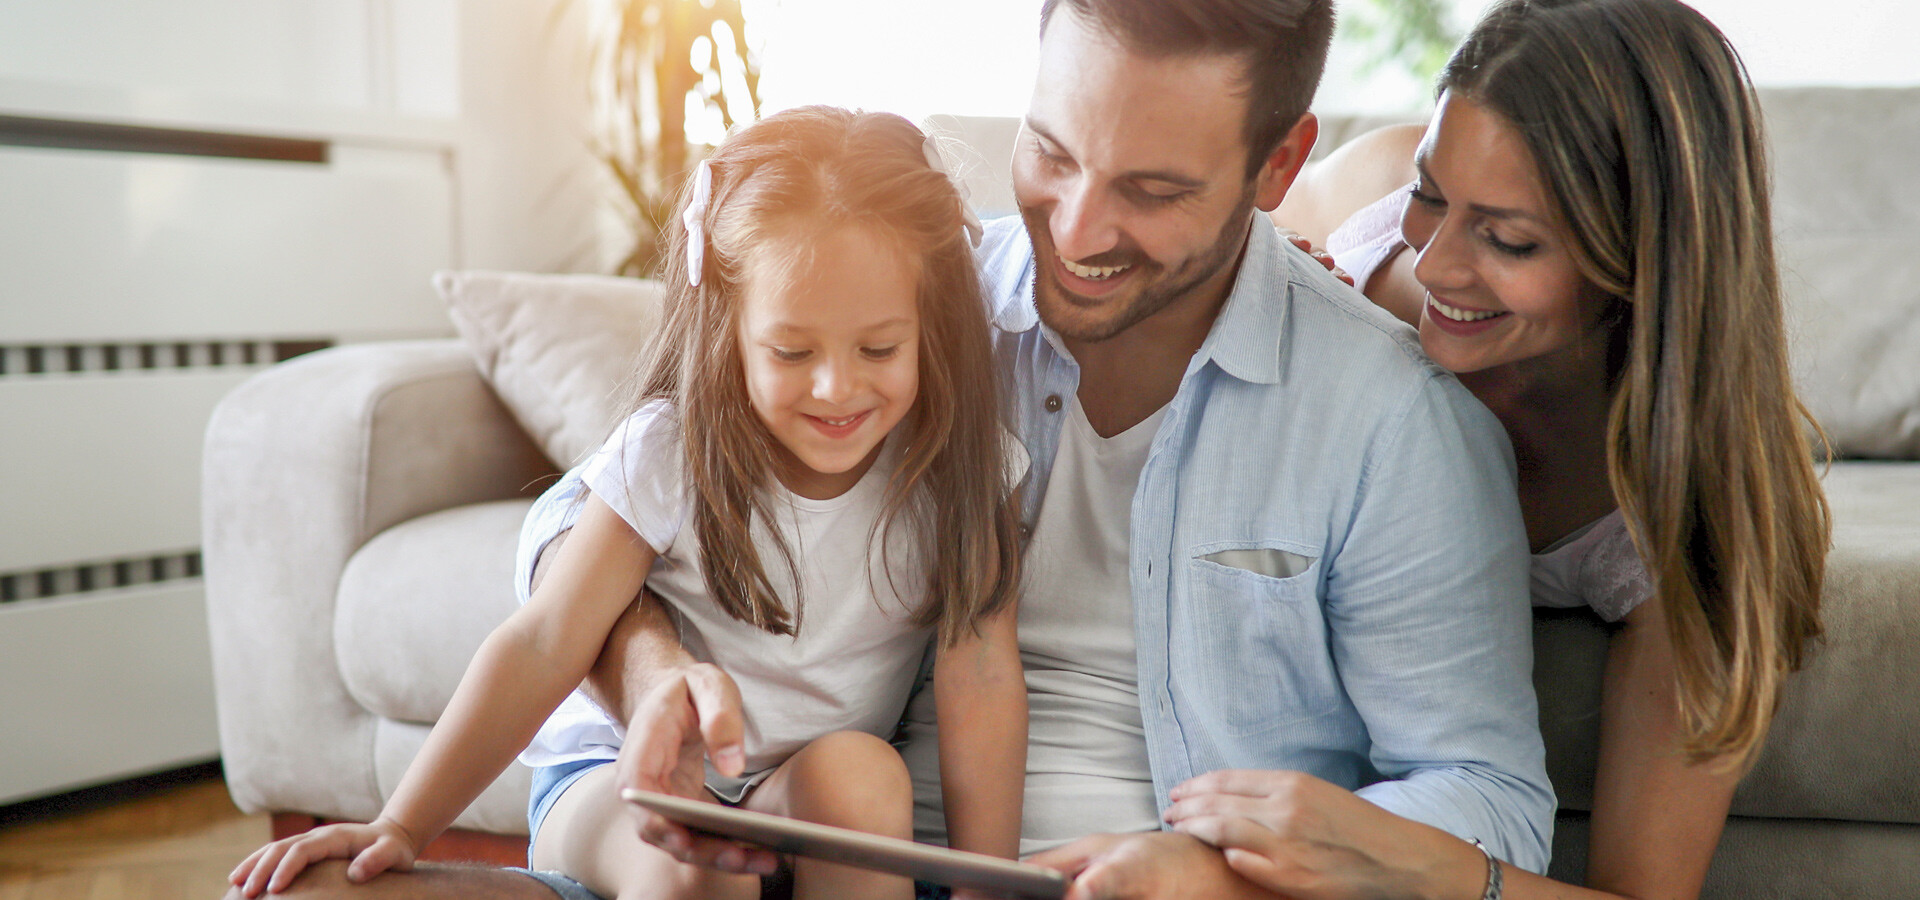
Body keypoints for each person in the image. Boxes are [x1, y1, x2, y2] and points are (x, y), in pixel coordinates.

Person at [220, 2, 1557, 898]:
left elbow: (1487, 796)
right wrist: (653, 660)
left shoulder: (1391, 422)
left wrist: (1230, 869)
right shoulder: (914, 296)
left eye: (1153, 191)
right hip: (789, 842)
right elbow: (602, 512)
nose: (1074, 229)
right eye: (1050, 151)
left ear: (1279, 169)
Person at [227, 106, 1029, 900]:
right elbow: (545, 641)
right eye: (792, 351)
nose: (836, 387)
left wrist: (985, 885)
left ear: (932, 322)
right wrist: (400, 828)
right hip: (619, 785)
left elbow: (983, 672)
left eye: (879, 348)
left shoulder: (961, 465)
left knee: (864, 776)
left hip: (801, 796)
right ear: (730, 327)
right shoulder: (671, 449)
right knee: (695, 860)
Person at [1173, 1, 1833, 897]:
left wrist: (1408, 858)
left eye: (1509, 239)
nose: (1439, 263)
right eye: (1431, 196)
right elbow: (1197, 217)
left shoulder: (1682, 528)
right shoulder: (1369, 234)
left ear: (1642, 257)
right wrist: (1263, 268)